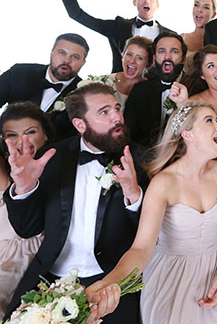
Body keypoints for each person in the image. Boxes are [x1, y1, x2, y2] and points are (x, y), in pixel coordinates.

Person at [85, 101, 217, 323]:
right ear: (187, 134)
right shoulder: (163, 184)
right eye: (209, 121)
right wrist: (109, 282)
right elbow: (141, 248)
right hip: (172, 277)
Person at [2, 83, 148, 323]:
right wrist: (24, 189)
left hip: (111, 282)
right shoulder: (52, 158)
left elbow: (149, 237)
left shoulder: (138, 160)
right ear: (80, 125)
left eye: (116, 108)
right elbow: (26, 229)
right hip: (49, 278)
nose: (116, 117)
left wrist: (134, 195)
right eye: (104, 112)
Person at [57, 0, 175, 73]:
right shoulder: (118, 26)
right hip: (119, 88)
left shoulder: (170, 36)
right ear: (135, 2)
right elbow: (77, 15)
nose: (146, 1)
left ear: (157, 5)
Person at [0, 102, 53, 317]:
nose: (23, 140)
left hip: (41, 267)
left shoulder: (63, 170)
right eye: (11, 135)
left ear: (46, 135)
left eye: (30, 132)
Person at [0, 33, 88, 141]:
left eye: (75, 57)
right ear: (51, 53)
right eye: (62, 53)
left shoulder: (85, 94)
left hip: (53, 154)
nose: (67, 60)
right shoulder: (18, 73)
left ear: (83, 62)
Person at [169, 45, 217, 163]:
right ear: (202, 75)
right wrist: (182, 103)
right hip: (213, 168)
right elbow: (186, 140)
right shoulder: (196, 102)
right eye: (210, 66)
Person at [124, 31, 187, 148]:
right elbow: (129, 135)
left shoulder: (197, 87)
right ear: (154, 58)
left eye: (174, 51)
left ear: (183, 58)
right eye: (161, 51)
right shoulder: (139, 90)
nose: (167, 57)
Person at [105, 36, 153, 110]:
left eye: (140, 58)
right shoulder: (104, 81)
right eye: (129, 54)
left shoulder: (151, 91)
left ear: (149, 64)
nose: (132, 61)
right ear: (122, 56)